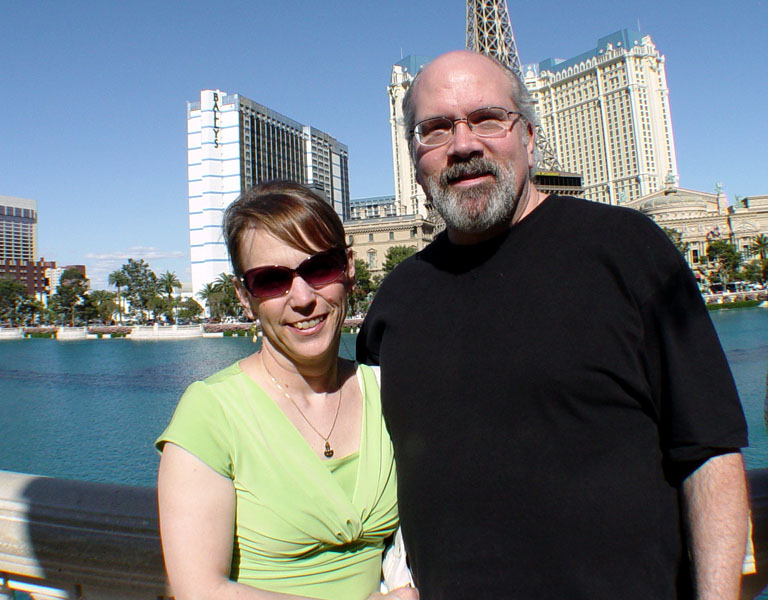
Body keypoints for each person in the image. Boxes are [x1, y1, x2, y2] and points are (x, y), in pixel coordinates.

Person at [357, 50, 750, 599]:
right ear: (414, 156)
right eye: (436, 129)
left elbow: (708, 451)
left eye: (488, 119)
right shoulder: (396, 300)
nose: (463, 144)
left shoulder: (628, 250)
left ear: (529, 136)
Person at [157, 181, 417, 600]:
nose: (302, 298)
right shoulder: (211, 413)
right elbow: (199, 590)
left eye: (320, 268)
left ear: (349, 269)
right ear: (245, 297)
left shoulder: (388, 390)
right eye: (271, 280)